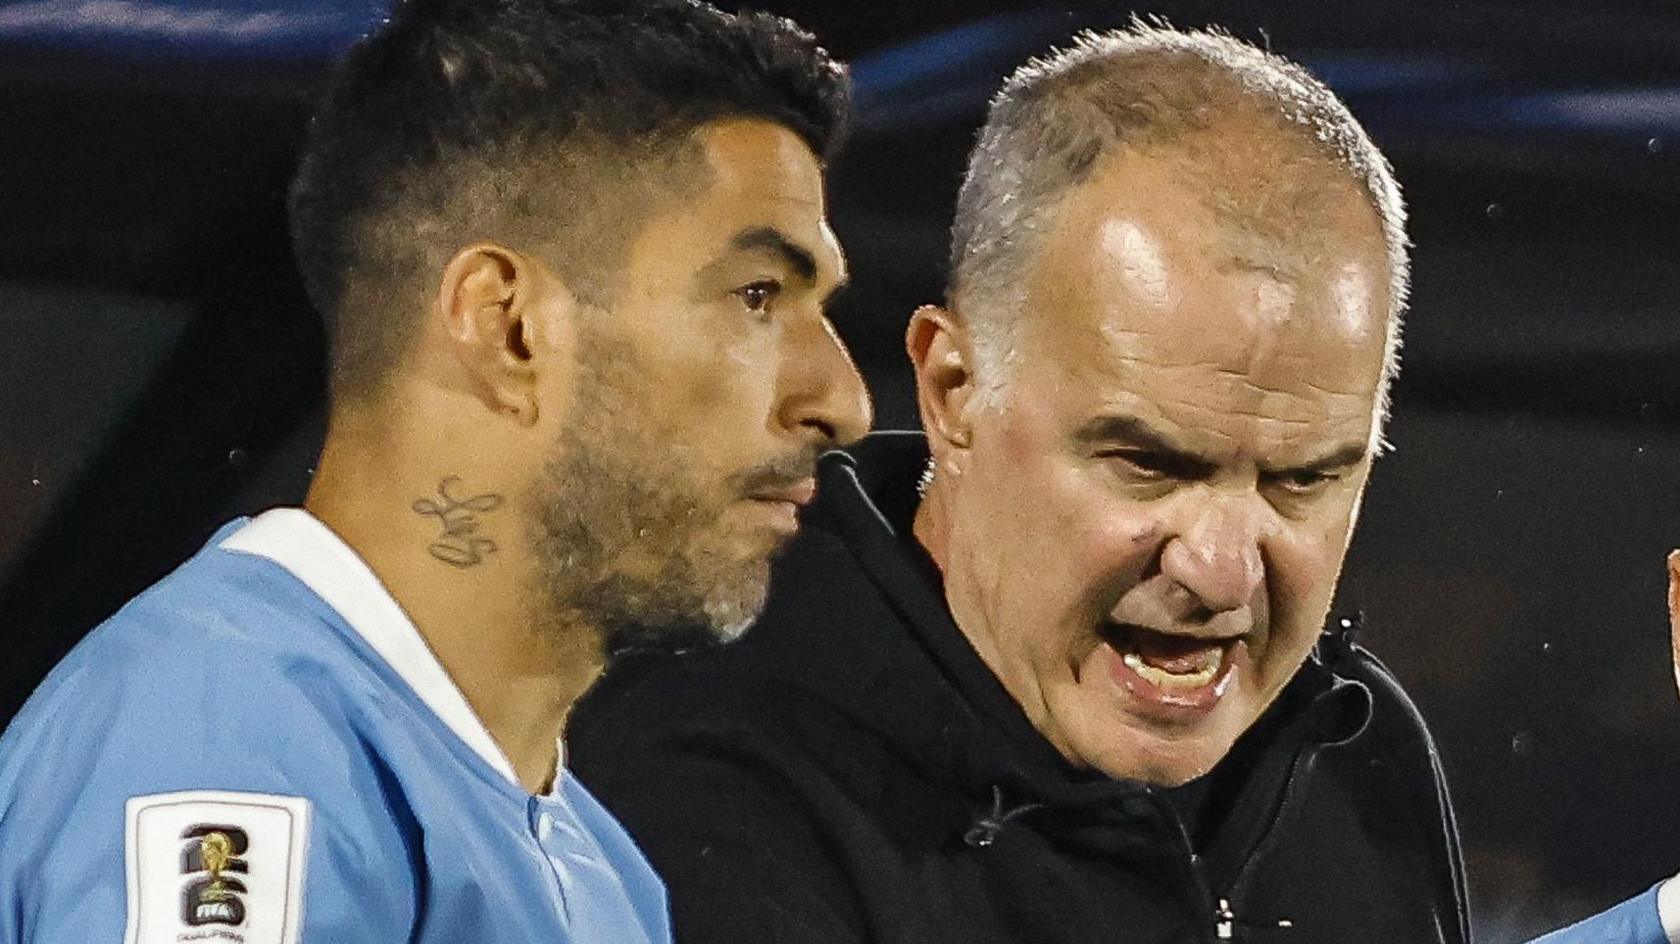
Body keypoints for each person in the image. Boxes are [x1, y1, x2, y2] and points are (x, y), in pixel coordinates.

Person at [570, 23, 1472, 943]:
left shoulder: (1355, 753)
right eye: (1148, 465)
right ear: (954, 391)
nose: (1223, 572)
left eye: (1304, 479)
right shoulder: (706, 791)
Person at [0, 0, 868, 941]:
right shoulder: (224, 746)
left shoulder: (602, 871)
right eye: (756, 297)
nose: (843, 401)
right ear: (508, 327)